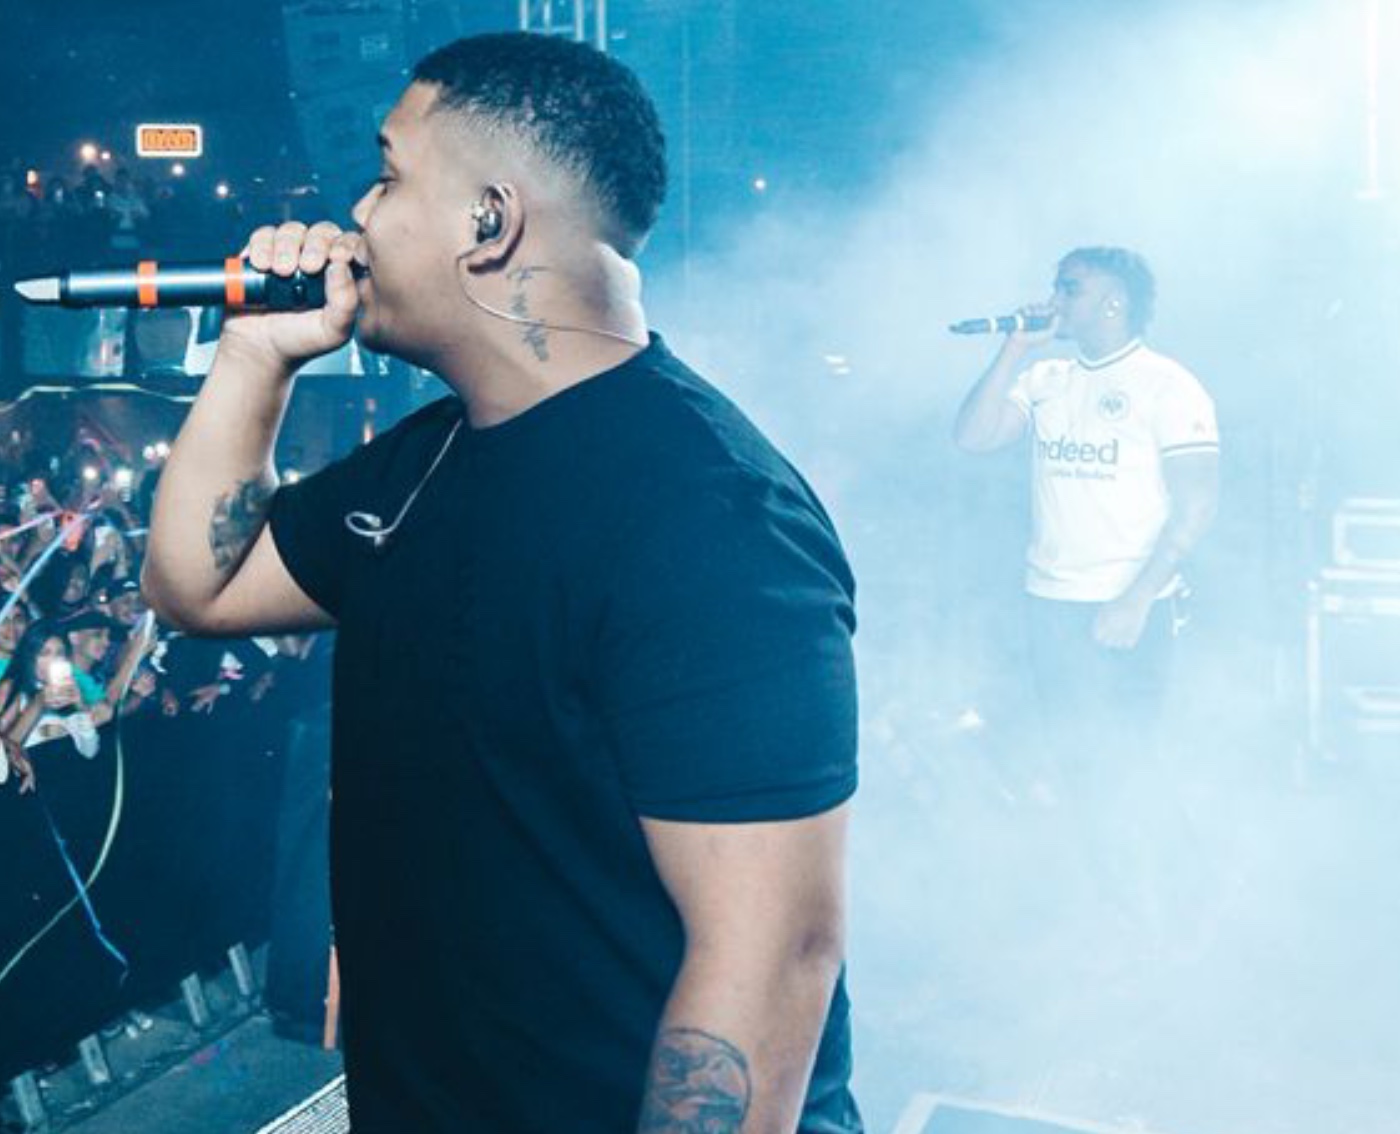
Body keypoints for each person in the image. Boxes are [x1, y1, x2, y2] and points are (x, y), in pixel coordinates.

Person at [143, 31, 861, 1134]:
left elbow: (772, 958)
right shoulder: (425, 462)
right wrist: (255, 356)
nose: (355, 215)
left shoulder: (712, 517)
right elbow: (198, 586)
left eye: (387, 177)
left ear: (489, 221)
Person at [952, 247, 1220, 796]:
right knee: (1072, 762)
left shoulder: (1168, 384)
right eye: (1056, 286)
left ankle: (1149, 853)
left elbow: (1197, 505)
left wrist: (1136, 600)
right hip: (1051, 601)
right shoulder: (1047, 377)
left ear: (1114, 303)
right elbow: (974, 437)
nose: (1054, 300)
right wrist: (1014, 348)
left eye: (1070, 288)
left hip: (1129, 603)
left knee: (1127, 767)